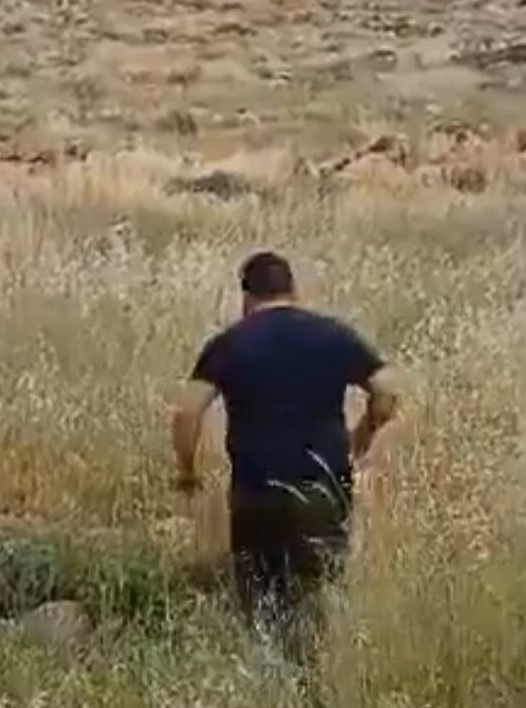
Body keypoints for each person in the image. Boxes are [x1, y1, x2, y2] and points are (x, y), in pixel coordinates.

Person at [170, 251, 398, 668]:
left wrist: (188, 471)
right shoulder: (333, 335)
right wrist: (363, 435)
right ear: (293, 290)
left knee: (260, 606)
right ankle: (313, 685)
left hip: (256, 494)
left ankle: (269, 687)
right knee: (316, 599)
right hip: (323, 490)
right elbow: (386, 392)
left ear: (247, 296)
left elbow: (186, 414)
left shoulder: (230, 343)